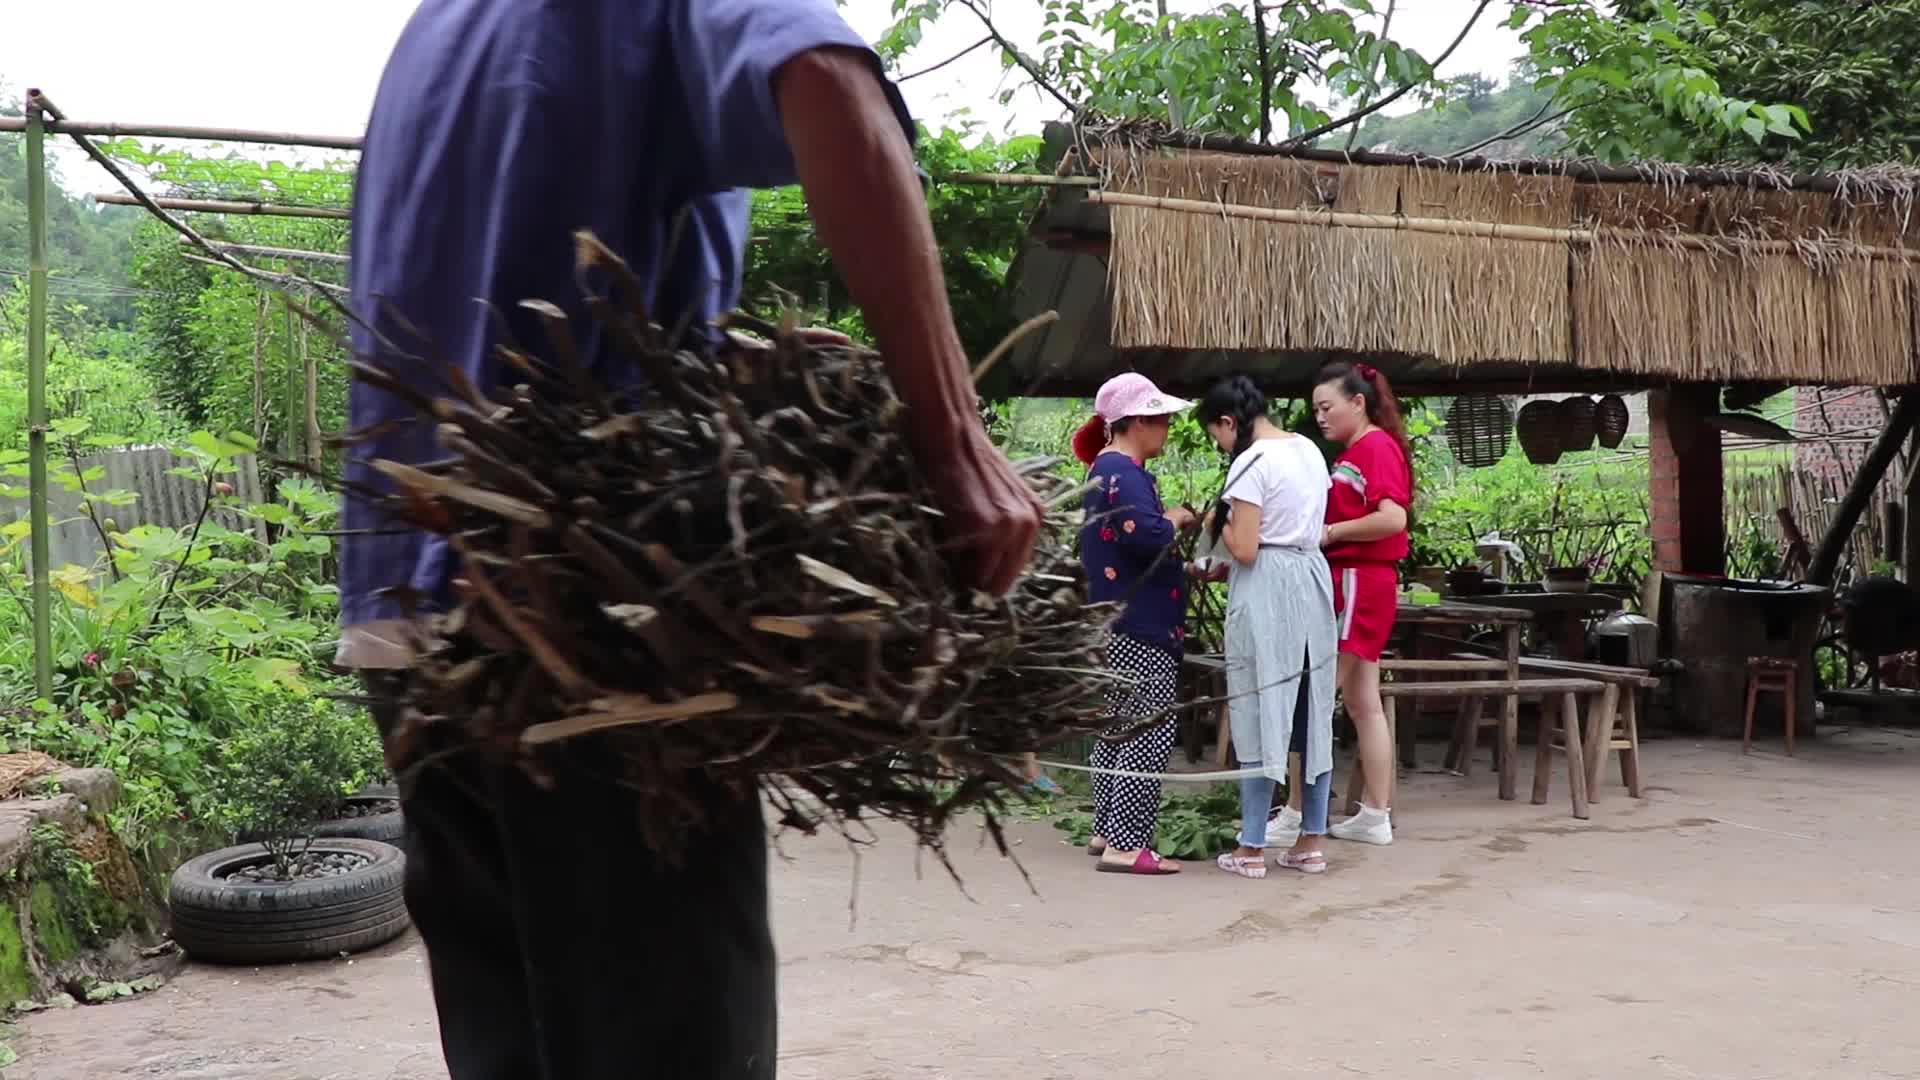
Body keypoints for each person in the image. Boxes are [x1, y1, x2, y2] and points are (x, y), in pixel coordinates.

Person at [335, 4, 1043, 1077]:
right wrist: (952, 444)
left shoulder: (439, 31)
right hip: (592, 617)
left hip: (407, 627)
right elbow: (825, 81)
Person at [1196, 376, 1339, 879]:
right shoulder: (1308, 450)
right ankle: (1312, 842)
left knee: (1259, 706)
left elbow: (1246, 548)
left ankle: (1252, 846)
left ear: (1228, 422)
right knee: (1312, 709)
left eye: (1216, 432)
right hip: (1312, 579)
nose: (1220, 443)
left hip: (1269, 586)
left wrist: (1217, 522)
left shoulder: (1251, 463)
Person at [1268, 361, 1413, 849]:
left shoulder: (1374, 448)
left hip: (1356, 580)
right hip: (1358, 582)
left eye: (1327, 407)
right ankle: (1374, 813)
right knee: (1361, 702)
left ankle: (1296, 812)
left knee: (1311, 698)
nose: (1321, 417)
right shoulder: (1359, 449)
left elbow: (1392, 519)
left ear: (1358, 402)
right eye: (1315, 410)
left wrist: (1329, 533)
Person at [1074, 373, 1199, 876]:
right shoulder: (1123, 473)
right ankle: (1127, 844)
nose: (1167, 426)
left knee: (1115, 725)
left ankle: (1108, 827)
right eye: (1162, 418)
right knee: (1146, 729)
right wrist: (1178, 516)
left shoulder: (1104, 471)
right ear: (1139, 422)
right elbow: (1145, 537)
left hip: (1113, 620)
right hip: (1138, 624)